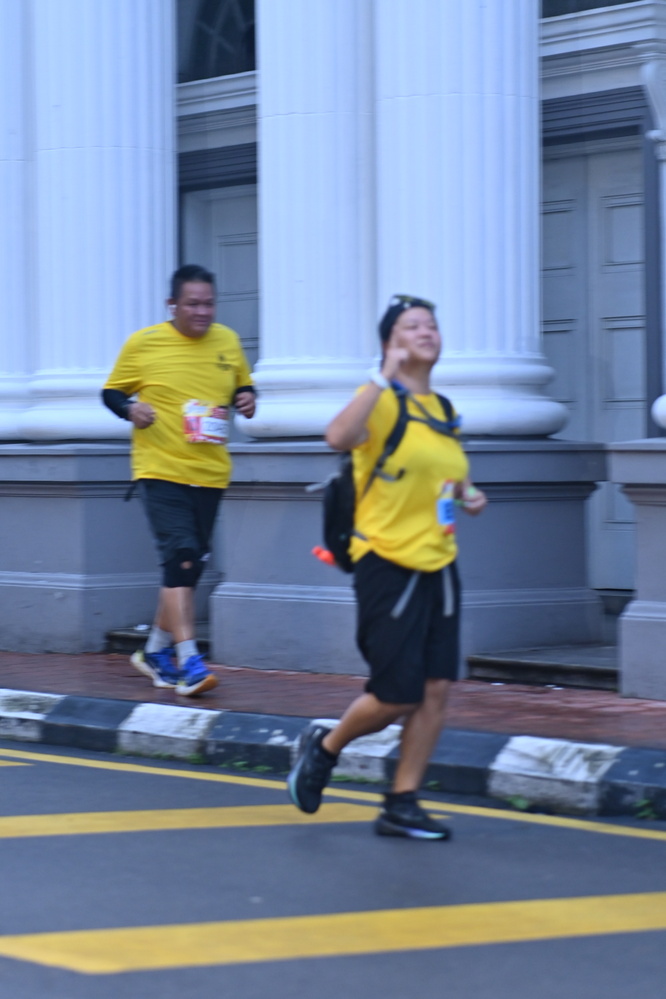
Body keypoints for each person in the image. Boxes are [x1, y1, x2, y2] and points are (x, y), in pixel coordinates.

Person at [287, 294, 487, 838]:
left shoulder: (442, 409)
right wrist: (381, 377)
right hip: (388, 562)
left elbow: (444, 473)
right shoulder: (379, 400)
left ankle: (401, 802)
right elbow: (337, 437)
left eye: (431, 325)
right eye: (412, 326)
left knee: (437, 688)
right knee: (398, 692)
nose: (426, 332)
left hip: (440, 564)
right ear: (389, 342)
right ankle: (325, 748)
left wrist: (468, 494)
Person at [102, 264, 256, 696]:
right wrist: (130, 409)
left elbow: (242, 387)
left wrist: (248, 398)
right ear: (172, 305)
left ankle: (154, 650)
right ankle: (189, 660)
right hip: (161, 469)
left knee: (186, 569)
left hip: (210, 472)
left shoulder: (227, 341)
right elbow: (111, 392)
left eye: (209, 303)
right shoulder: (144, 343)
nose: (202, 312)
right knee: (182, 557)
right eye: (193, 304)